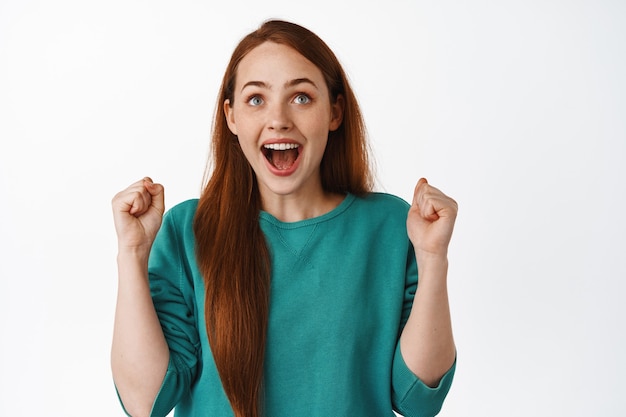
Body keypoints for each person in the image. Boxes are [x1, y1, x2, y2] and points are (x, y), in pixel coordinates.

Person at [111, 19, 457, 417]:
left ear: (335, 111)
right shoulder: (188, 230)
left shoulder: (392, 227)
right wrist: (131, 254)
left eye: (301, 98)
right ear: (232, 117)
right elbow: (145, 400)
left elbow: (418, 399)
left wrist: (433, 260)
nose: (278, 119)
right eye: (256, 99)